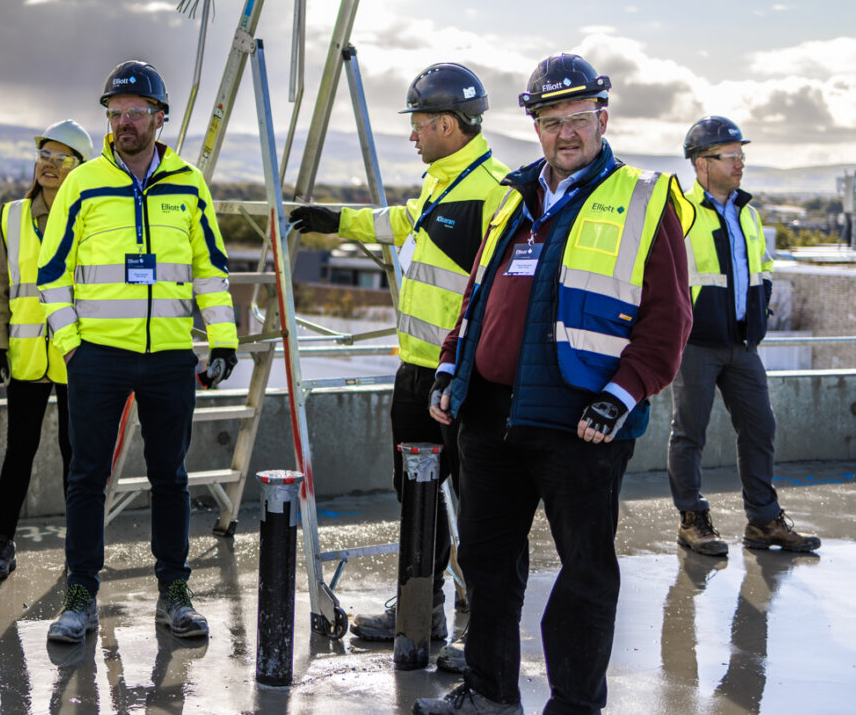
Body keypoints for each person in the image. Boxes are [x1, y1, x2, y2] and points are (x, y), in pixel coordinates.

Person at [417, 54, 693, 715]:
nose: (564, 133)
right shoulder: (514, 196)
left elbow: (669, 318)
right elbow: (476, 298)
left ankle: (572, 707)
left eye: (576, 119)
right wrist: (452, 368)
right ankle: (488, 694)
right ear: (534, 126)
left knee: (585, 575)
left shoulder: (642, 197)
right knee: (484, 562)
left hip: (581, 420)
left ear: (603, 117)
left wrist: (622, 395)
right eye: (549, 121)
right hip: (490, 416)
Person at [287, 63, 509, 642]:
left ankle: (482, 627)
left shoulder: (495, 192)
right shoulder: (442, 182)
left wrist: (462, 369)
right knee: (417, 495)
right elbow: (405, 222)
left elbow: (503, 293)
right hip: (416, 372)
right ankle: (420, 610)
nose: (411, 134)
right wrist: (334, 220)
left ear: (445, 123)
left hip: (462, 378)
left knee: (472, 503)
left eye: (417, 123)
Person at [36, 60, 238, 644]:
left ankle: (175, 590)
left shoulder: (189, 184)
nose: (124, 122)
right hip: (97, 356)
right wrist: (72, 345)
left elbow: (210, 272)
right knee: (87, 476)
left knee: (170, 477)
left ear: (159, 117)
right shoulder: (83, 182)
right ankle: (80, 594)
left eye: (135, 112)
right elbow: (51, 273)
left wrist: (221, 339)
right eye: (115, 113)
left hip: (171, 356)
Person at [669, 116, 820, 557]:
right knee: (689, 434)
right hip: (695, 344)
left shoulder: (748, 214)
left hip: (743, 345)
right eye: (730, 156)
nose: (740, 164)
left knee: (760, 429)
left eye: (741, 155)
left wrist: (762, 309)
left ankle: (763, 521)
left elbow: (764, 268)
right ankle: (691, 521)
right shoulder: (681, 213)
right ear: (702, 164)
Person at [0, 118, 94, 580]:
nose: (49, 165)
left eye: (61, 158)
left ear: (80, 167)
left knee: (76, 455)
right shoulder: (11, 216)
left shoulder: (90, 217)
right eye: (44, 155)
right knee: (19, 451)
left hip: (75, 356)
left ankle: (79, 548)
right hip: (26, 356)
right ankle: (2, 543)